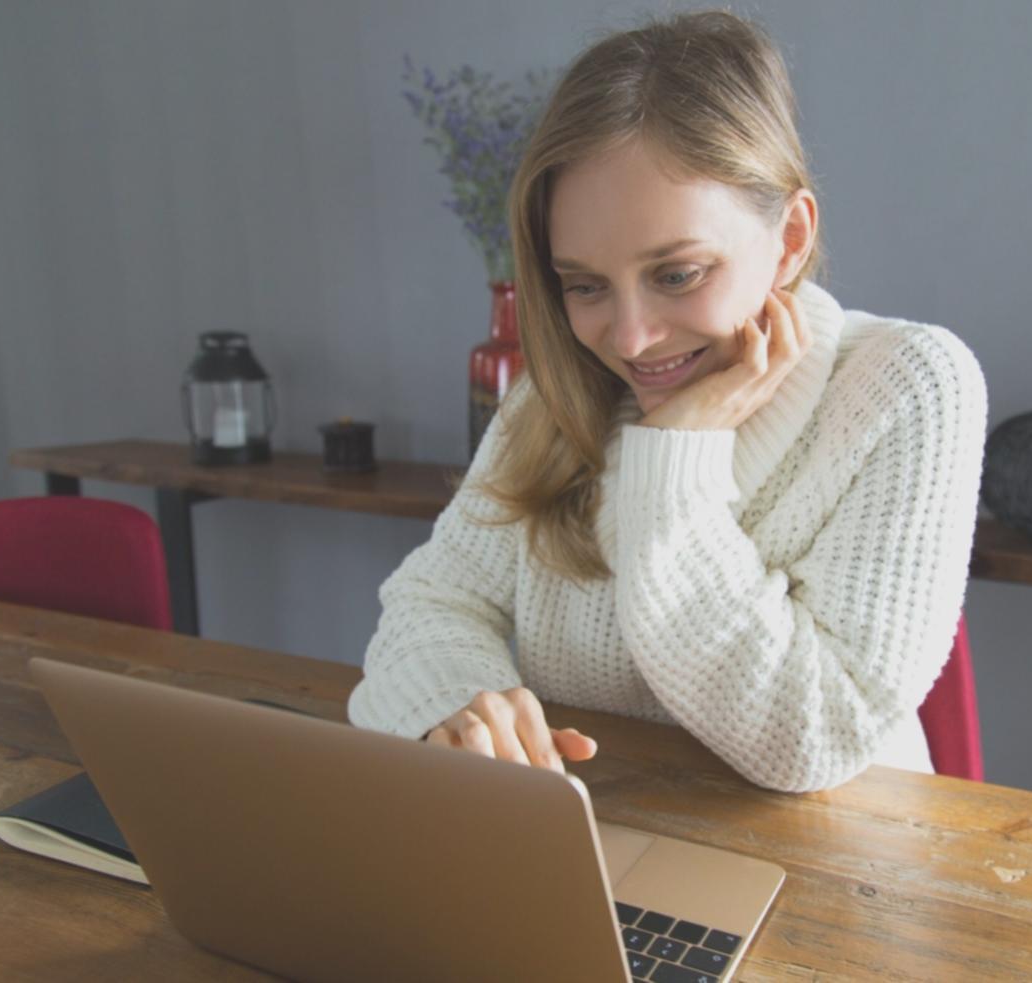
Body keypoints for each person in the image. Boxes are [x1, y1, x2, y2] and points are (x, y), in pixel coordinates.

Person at [347, 10, 986, 792]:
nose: (633, 338)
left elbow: (815, 737)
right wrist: (460, 704)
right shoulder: (553, 402)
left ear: (789, 238)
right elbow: (433, 598)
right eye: (584, 285)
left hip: (840, 878)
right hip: (599, 843)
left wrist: (674, 456)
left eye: (678, 274)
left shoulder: (908, 384)